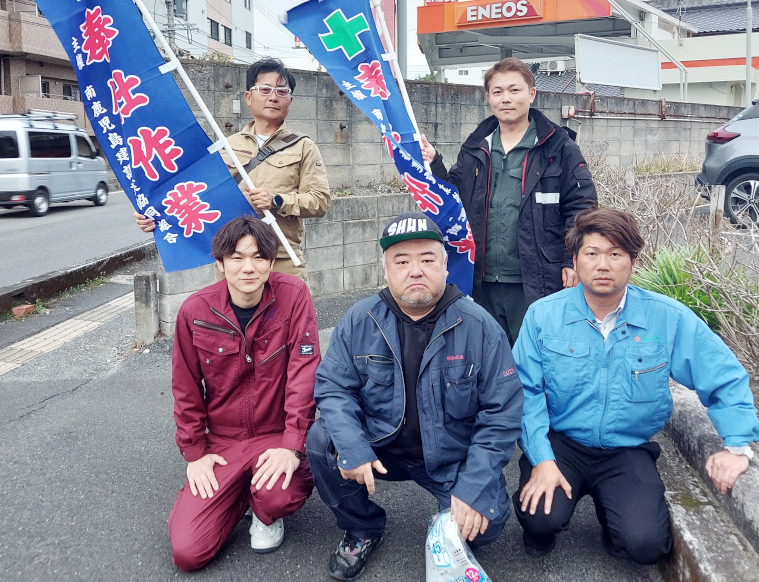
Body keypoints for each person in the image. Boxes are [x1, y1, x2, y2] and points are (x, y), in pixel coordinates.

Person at [511, 208, 759, 564]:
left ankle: (614, 521)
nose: (603, 265)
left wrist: (736, 447)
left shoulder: (666, 317)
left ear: (632, 262)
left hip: (626, 448)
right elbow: (526, 392)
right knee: (541, 517)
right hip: (562, 443)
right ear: (575, 260)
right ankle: (542, 530)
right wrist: (541, 459)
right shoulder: (543, 315)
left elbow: (722, 374)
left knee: (645, 544)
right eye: (592, 253)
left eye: (615, 254)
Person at [306, 212, 523, 581]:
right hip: (380, 447)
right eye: (402, 261)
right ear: (386, 270)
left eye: (427, 259)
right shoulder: (360, 319)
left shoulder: (480, 326)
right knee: (322, 441)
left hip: (448, 457)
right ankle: (361, 527)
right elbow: (333, 387)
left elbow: (501, 414)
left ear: (445, 265)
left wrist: (473, 487)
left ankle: (447, 520)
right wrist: (353, 447)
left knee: (488, 527)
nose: (415, 271)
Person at [168, 216, 319, 571]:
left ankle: (264, 511)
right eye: (237, 258)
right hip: (224, 442)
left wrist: (292, 445)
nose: (248, 268)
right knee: (188, 553)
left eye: (259, 257)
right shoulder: (195, 310)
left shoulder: (294, 295)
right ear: (220, 263)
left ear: (271, 261)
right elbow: (185, 387)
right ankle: (237, 495)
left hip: (276, 434)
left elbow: (304, 373)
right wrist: (195, 453)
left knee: (276, 497)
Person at [421, 57, 597, 345]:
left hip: (537, 279)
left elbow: (582, 209)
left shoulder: (558, 147)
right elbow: (455, 200)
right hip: (482, 280)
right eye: (498, 91)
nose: (506, 98)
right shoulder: (476, 146)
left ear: (532, 93)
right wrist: (434, 162)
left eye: (514, 90)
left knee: (538, 353)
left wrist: (572, 259)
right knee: (488, 356)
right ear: (488, 97)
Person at [135, 58, 330, 280]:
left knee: (289, 305)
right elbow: (198, 195)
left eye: (282, 91)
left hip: (281, 258)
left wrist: (277, 200)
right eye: (265, 89)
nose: (273, 97)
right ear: (249, 97)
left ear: (290, 100)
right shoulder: (225, 146)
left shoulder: (304, 146)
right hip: (232, 259)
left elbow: (320, 201)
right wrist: (155, 215)